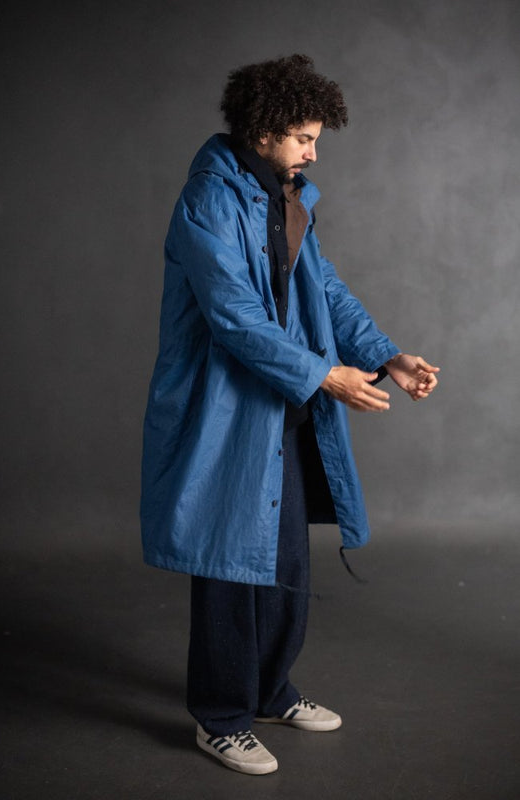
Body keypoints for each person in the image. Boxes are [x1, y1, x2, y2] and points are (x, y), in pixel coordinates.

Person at [140, 54, 439, 775]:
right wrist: (324, 375)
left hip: (281, 406)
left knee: (283, 560)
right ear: (265, 130)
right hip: (225, 412)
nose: (313, 151)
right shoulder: (209, 199)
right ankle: (221, 718)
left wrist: (387, 355)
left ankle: (270, 691)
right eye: (304, 137)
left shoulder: (287, 194)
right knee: (228, 564)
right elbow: (234, 317)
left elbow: (324, 289)